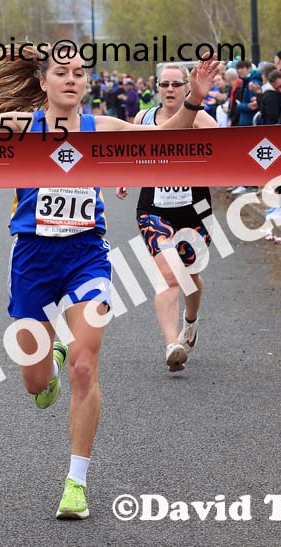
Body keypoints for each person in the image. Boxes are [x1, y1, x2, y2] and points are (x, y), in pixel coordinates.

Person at [0, 13, 218, 520]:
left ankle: (76, 482)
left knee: (84, 365)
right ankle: (46, 362)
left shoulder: (103, 128)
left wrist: (195, 99)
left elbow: (163, 139)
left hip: (86, 255)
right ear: (44, 82)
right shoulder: (23, 128)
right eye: (62, 73)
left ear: (86, 83)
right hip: (32, 258)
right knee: (35, 383)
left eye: (79, 73)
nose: (71, 80)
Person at [115, 63, 217, 372]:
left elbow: (225, 154)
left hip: (194, 207)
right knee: (171, 275)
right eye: (164, 84)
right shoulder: (143, 118)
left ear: (187, 87)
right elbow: (132, 153)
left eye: (176, 84)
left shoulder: (201, 119)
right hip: (154, 208)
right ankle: (172, 344)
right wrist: (124, 176)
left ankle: (191, 320)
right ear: (157, 88)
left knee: (191, 274)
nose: (170, 89)